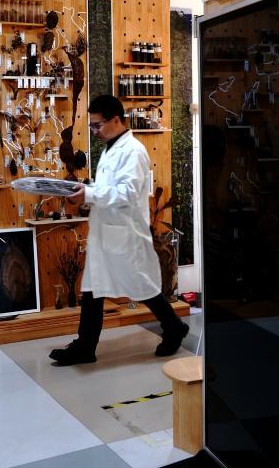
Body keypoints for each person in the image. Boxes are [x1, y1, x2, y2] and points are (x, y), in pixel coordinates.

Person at [49, 94, 189, 366]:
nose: (94, 131)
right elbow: (108, 189)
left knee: (143, 285)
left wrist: (89, 194)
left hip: (125, 234)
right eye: (91, 126)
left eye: (97, 125)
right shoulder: (111, 149)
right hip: (107, 233)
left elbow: (127, 193)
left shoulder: (133, 151)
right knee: (93, 288)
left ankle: (173, 326)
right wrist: (84, 193)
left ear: (115, 120)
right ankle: (85, 346)